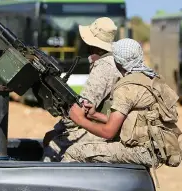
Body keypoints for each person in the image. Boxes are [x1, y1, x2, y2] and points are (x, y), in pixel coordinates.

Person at [61, 38, 182, 186]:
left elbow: (108, 132)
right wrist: (95, 115)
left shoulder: (126, 88)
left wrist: (79, 119)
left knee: (74, 152)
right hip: (155, 146)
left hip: (142, 150)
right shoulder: (150, 77)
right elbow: (133, 120)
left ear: (118, 62)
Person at [42, 17, 122, 162]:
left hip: (104, 129)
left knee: (54, 145)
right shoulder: (114, 61)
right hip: (107, 124)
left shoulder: (104, 67)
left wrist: (59, 129)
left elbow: (81, 111)